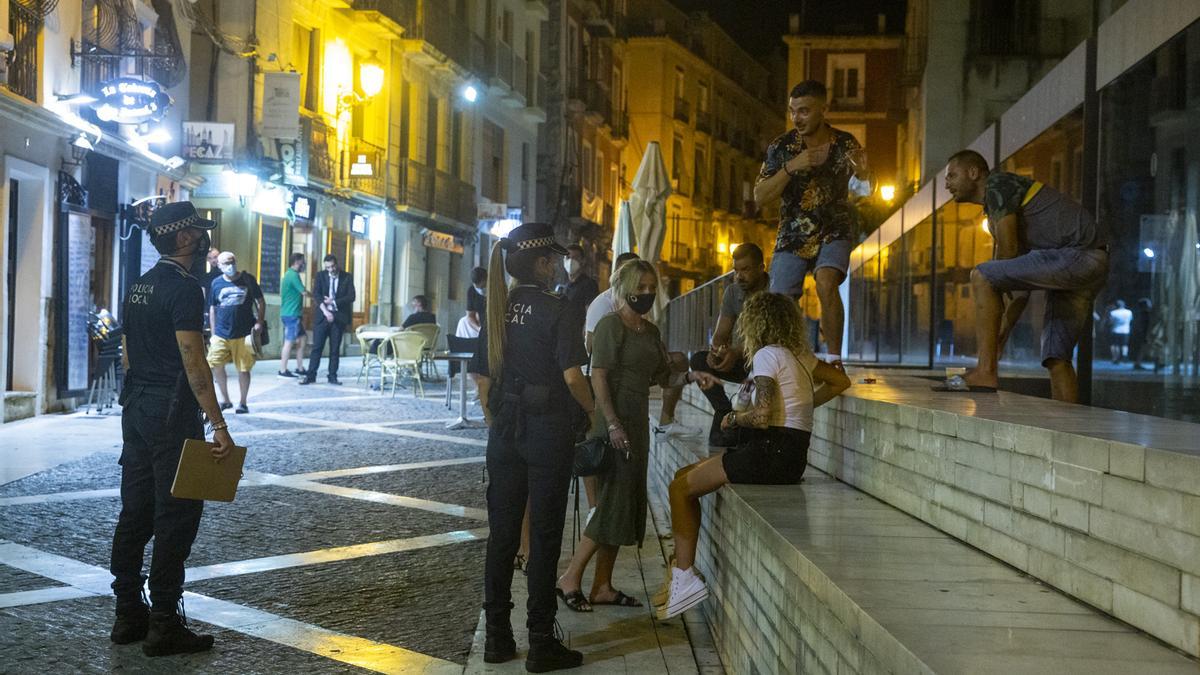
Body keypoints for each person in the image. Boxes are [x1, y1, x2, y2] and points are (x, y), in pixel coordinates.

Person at [656, 292, 850, 620]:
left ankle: (685, 577)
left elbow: (759, 417)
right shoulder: (799, 353)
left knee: (679, 490)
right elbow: (840, 381)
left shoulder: (766, 355)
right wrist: (799, 408)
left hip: (769, 453)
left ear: (754, 323)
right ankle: (680, 572)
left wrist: (732, 419)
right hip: (788, 455)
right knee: (682, 477)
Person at [468, 222, 597, 671]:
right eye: (556, 258)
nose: (560, 264)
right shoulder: (558, 308)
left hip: (504, 432)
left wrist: (498, 423)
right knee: (543, 536)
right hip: (548, 432)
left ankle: (497, 639)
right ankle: (541, 640)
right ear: (542, 263)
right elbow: (573, 377)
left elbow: (482, 381)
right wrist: (593, 412)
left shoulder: (497, 309)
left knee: (502, 535)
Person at [110, 201, 236, 656]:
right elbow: (193, 360)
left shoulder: (137, 286)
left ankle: (128, 614)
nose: (205, 239)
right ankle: (164, 622)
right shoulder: (186, 289)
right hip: (171, 414)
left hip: (136, 409)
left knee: (135, 511)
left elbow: (127, 354)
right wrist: (218, 424)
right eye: (200, 232)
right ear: (184, 239)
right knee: (176, 514)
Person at [556, 260, 719, 613]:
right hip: (613, 424)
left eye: (651, 288)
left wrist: (692, 378)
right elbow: (598, 377)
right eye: (640, 287)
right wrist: (612, 423)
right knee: (611, 503)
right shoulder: (610, 326)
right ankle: (571, 577)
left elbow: (664, 378)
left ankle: (602, 586)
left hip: (636, 426)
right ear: (625, 286)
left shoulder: (651, 332)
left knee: (622, 505)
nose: (647, 293)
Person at [942, 149, 1109, 401]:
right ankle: (1067, 428)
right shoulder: (998, 209)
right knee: (1056, 356)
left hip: (1077, 255)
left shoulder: (998, 184)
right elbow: (1018, 287)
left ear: (973, 173)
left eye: (952, 176)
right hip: (1090, 261)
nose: (947, 185)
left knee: (981, 274)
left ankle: (985, 372)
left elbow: (1007, 256)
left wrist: (994, 333)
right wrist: (1002, 334)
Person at [753, 80, 870, 362]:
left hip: (835, 227)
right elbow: (760, 195)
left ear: (823, 109)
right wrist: (792, 166)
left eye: (804, 111)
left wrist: (865, 175)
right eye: (793, 111)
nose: (797, 118)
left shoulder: (846, 144)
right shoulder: (782, 147)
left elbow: (864, 195)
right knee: (780, 299)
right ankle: (783, 361)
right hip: (793, 231)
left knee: (826, 281)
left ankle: (833, 361)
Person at [689, 243, 771, 446]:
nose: (739, 276)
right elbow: (721, 334)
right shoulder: (733, 292)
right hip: (742, 360)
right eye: (736, 270)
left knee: (762, 362)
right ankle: (723, 411)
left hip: (768, 363)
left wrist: (737, 352)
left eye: (746, 270)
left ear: (761, 267)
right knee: (699, 361)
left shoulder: (776, 290)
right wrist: (716, 352)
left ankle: (736, 425)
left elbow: (774, 341)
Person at [207, 251, 265, 414]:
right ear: (219, 266)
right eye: (226, 263)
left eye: (232, 262)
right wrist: (213, 332)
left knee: (244, 368)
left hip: (243, 332)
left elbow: (261, 301)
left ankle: (243, 402)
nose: (230, 266)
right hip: (221, 333)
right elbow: (213, 308)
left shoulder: (248, 280)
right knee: (215, 363)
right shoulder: (216, 283)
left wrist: (259, 321)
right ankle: (225, 400)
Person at [301, 255, 355, 385]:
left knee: (335, 349)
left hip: (338, 317)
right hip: (322, 317)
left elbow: (351, 296)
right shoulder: (320, 276)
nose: (330, 270)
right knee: (317, 347)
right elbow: (317, 295)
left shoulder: (347, 277)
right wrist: (326, 311)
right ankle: (311, 376)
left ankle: (332, 376)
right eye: (328, 267)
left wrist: (334, 302)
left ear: (337, 264)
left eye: (332, 266)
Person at [279, 253, 310, 378]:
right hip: (291, 314)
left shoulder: (288, 274)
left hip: (292, 313)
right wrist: (316, 297)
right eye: (303, 261)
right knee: (289, 341)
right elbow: (303, 291)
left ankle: (300, 367)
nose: (304, 264)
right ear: (297, 261)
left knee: (302, 340)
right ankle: (282, 370)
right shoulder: (293, 275)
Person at [562, 244, 599, 311]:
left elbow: (591, 312)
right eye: (568, 257)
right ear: (563, 260)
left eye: (575, 258)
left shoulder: (589, 285)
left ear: (583, 261)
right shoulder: (567, 286)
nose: (570, 261)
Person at [1108, 299, 1132, 364]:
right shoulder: (1129, 312)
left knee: (1116, 344)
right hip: (1126, 330)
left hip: (1115, 330)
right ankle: (1124, 356)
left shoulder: (1113, 313)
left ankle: (1116, 358)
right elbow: (1130, 321)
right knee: (1125, 345)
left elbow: (1110, 322)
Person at [467, 266, 487, 333]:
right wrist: (478, 329)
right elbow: (470, 316)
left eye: (483, 287)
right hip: (482, 327)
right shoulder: (472, 291)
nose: (481, 290)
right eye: (478, 288)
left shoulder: (497, 289)